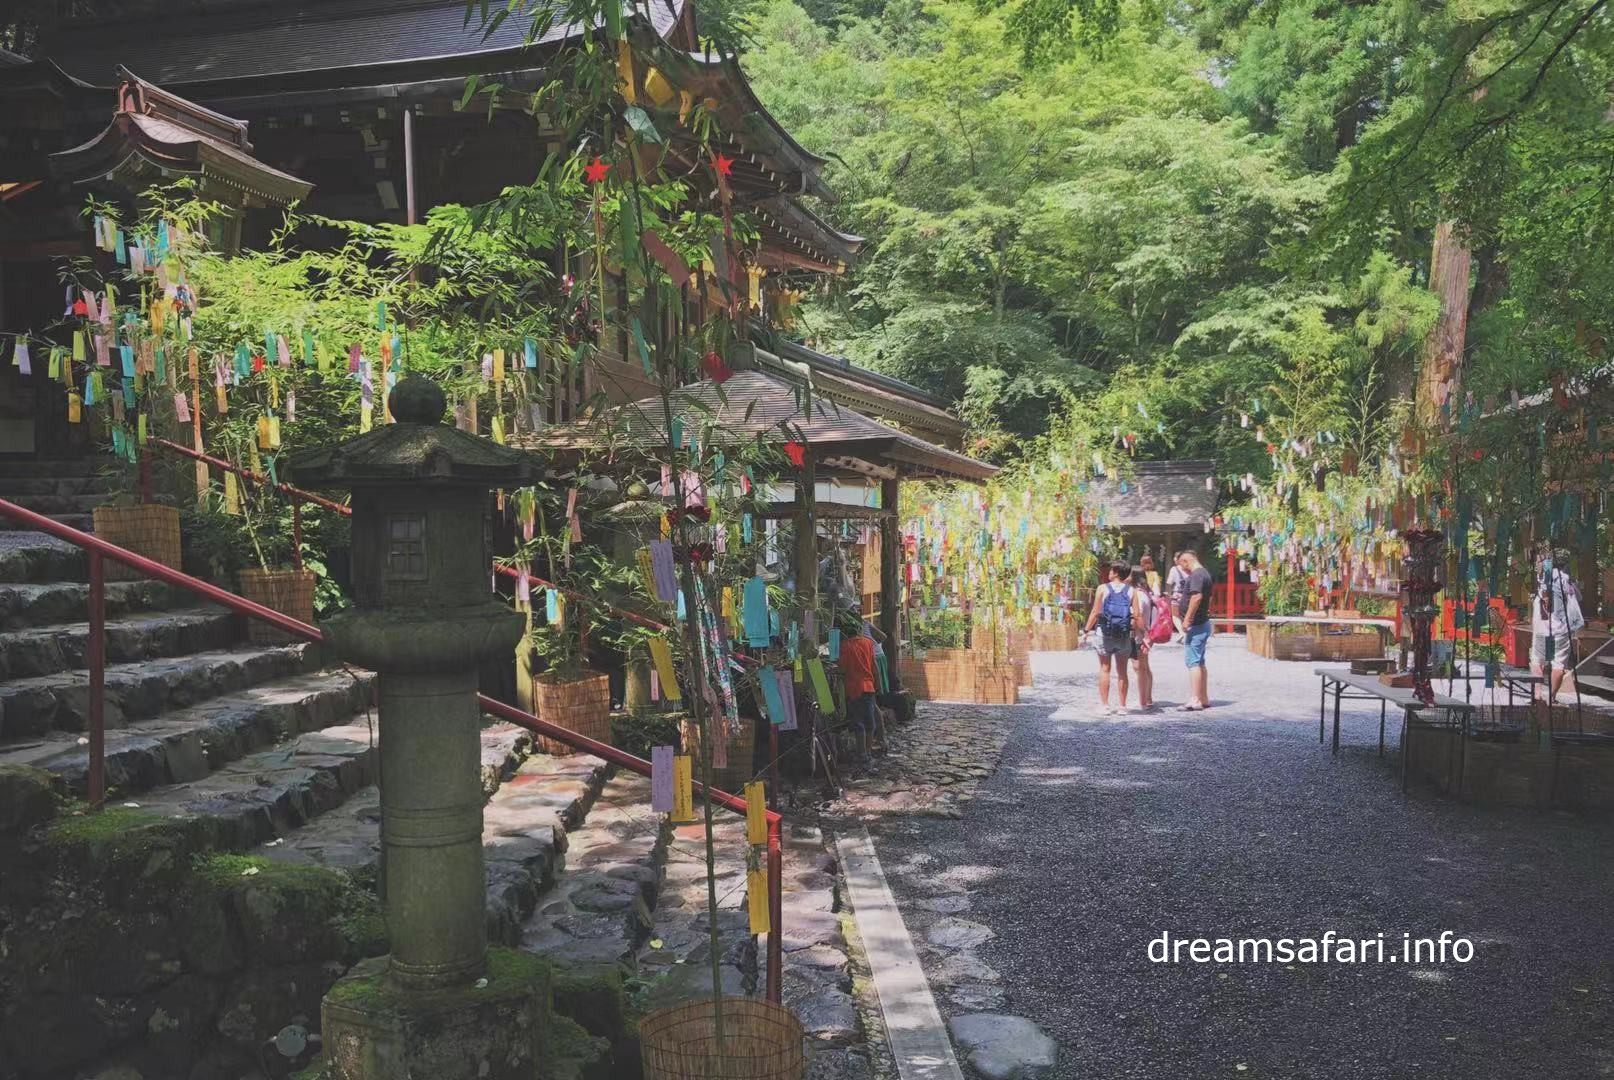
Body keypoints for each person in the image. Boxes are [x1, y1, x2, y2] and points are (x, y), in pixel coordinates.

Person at [1082, 560, 1144, 714]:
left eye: (1111, 570)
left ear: (1115, 572)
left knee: (1105, 669)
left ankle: (1105, 705)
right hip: (1123, 635)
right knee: (1122, 671)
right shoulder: (1131, 591)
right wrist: (1143, 633)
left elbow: (1095, 612)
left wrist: (1086, 631)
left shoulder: (1103, 589)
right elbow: (1137, 615)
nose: (1108, 572)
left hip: (1104, 634)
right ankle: (1122, 706)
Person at [1531, 546, 1585, 702]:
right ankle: (1551, 697)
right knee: (1558, 663)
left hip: (1543, 629)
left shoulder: (1543, 577)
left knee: (1537, 661)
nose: (1537, 564)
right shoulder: (1566, 580)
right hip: (1560, 629)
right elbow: (1578, 598)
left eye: (1539, 561)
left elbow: (1543, 593)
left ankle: (1537, 694)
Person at [1176, 550, 1214, 710]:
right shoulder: (1204, 573)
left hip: (1196, 624)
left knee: (1193, 662)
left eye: (1181, 566)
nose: (1182, 570)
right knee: (1200, 661)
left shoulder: (1198, 575)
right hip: (1201, 623)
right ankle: (1203, 697)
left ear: (1186, 561)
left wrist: (1187, 619)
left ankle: (1196, 699)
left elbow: (1196, 597)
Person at [838, 614, 882, 755]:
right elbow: (874, 667)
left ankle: (861, 753)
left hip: (853, 689)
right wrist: (878, 684)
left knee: (858, 723)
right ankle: (868, 751)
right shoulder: (868, 643)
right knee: (869, 722)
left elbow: (842, 668)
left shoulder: (845, 646)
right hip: (868, 687)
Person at [1129, 568, 1164, 710]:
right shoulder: (1146, 593)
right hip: (1147, 632)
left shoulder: (1137, 594)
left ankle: (1142, 700)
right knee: (1145, 667)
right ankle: (1148, 698)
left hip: (1139, 635)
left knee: (1139, 668)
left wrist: (1143, 634)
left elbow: (1138, 616)